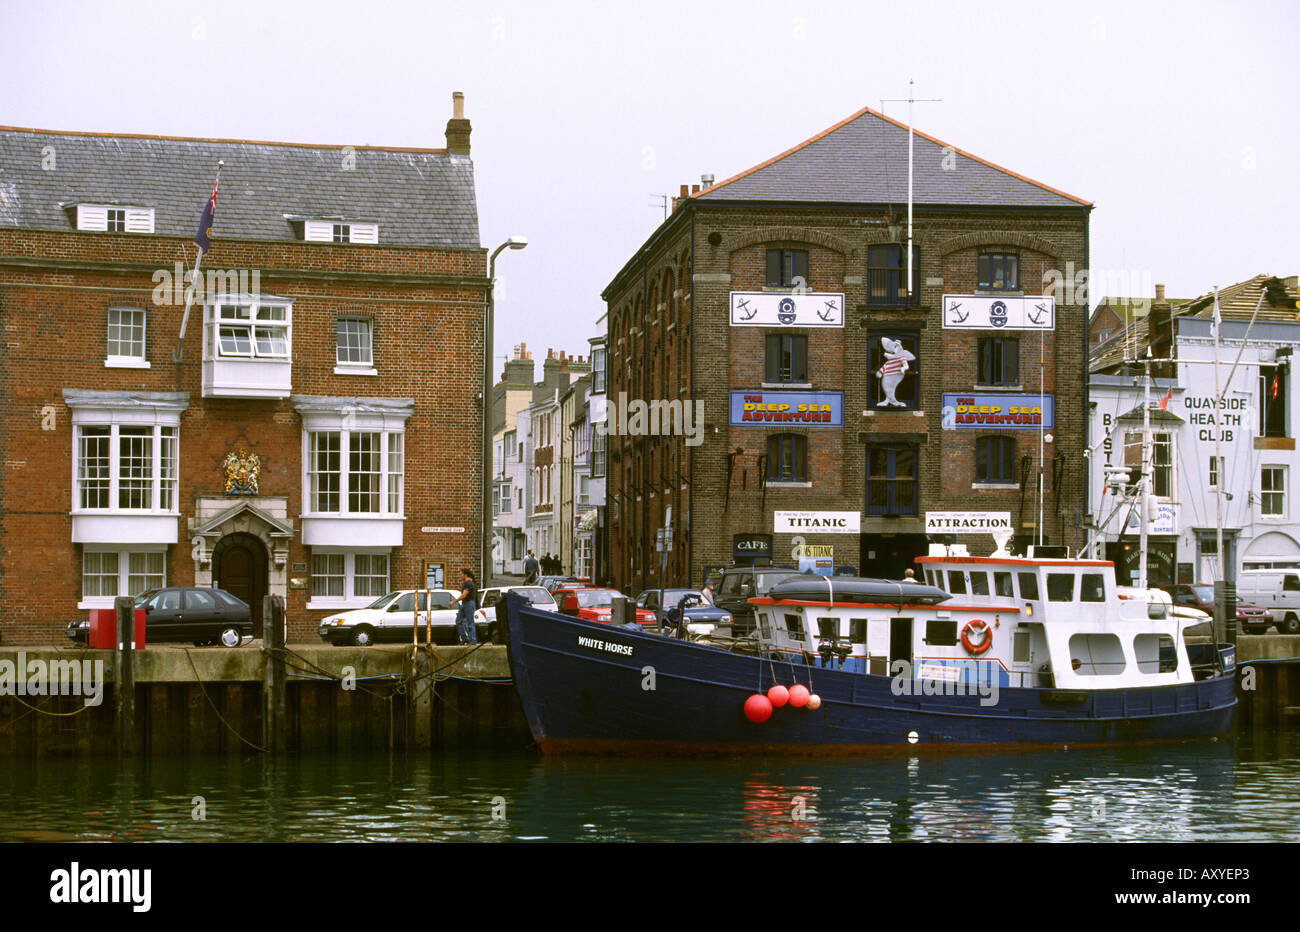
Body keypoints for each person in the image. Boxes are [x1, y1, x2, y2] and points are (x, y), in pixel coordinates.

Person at [449, 568, 478, 645]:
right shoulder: (465, 583)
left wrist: (454, 602)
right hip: (464, 604)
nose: (460, 576)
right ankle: (464, 639)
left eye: (461, 574)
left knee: (470, 622)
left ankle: (473, 640)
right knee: (458, 621)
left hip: (469, 603)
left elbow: (464, 595)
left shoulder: (469, 583)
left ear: (465, 575)